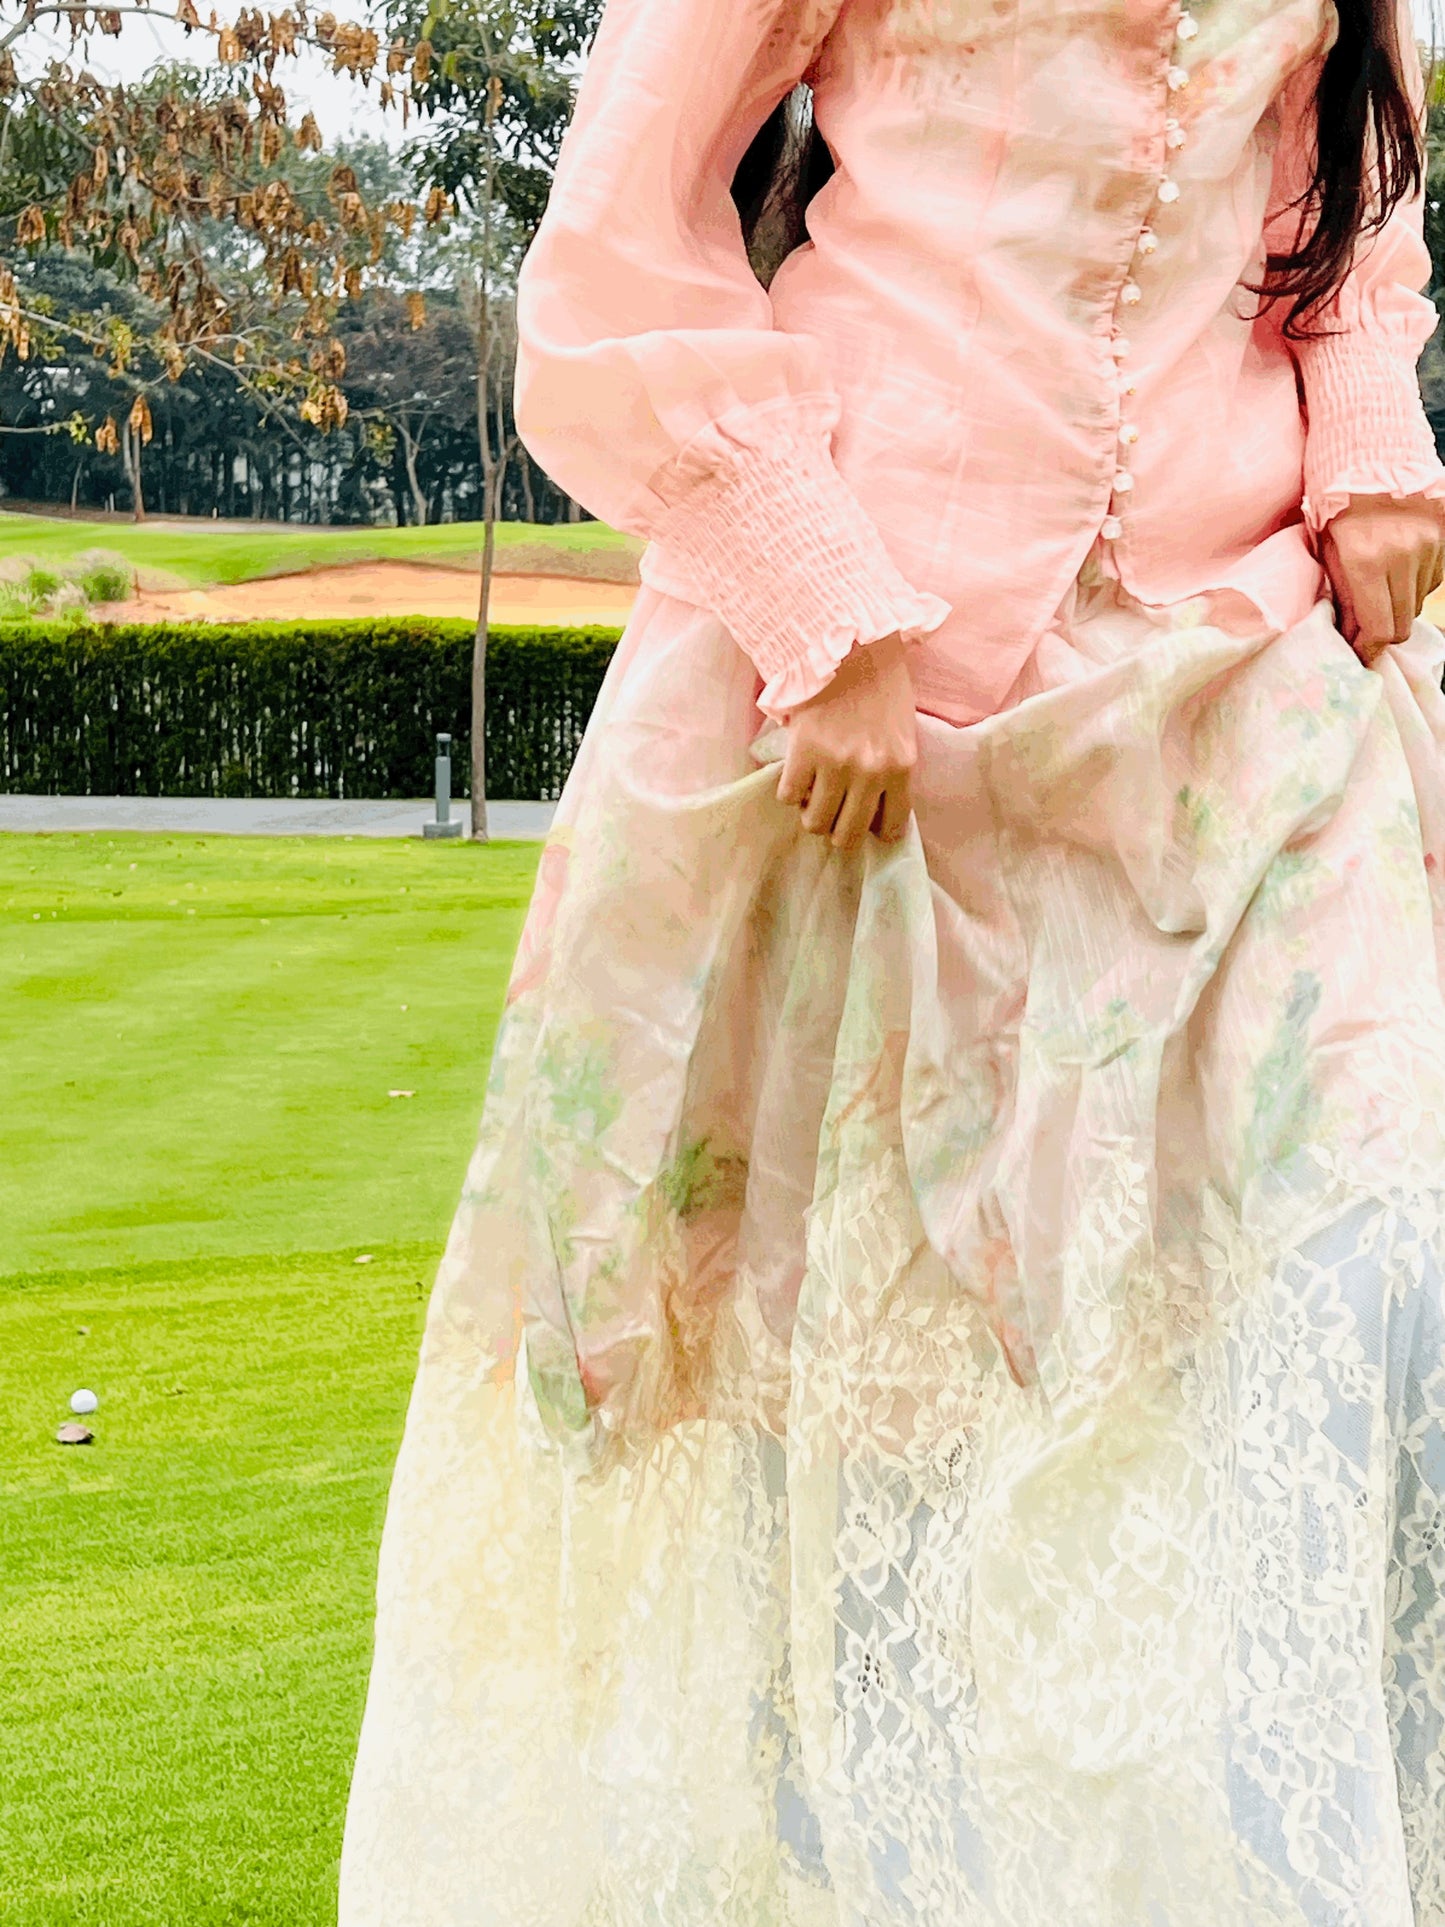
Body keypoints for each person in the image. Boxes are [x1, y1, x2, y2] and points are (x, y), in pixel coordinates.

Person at [338, 0, 1445, 1920]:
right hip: (860, 698)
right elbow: (617, 234)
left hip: (1250, 680)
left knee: (1357, 1294)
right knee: (864, 1402)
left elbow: (1341, 199)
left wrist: (1366, 439)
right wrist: (810, 595)